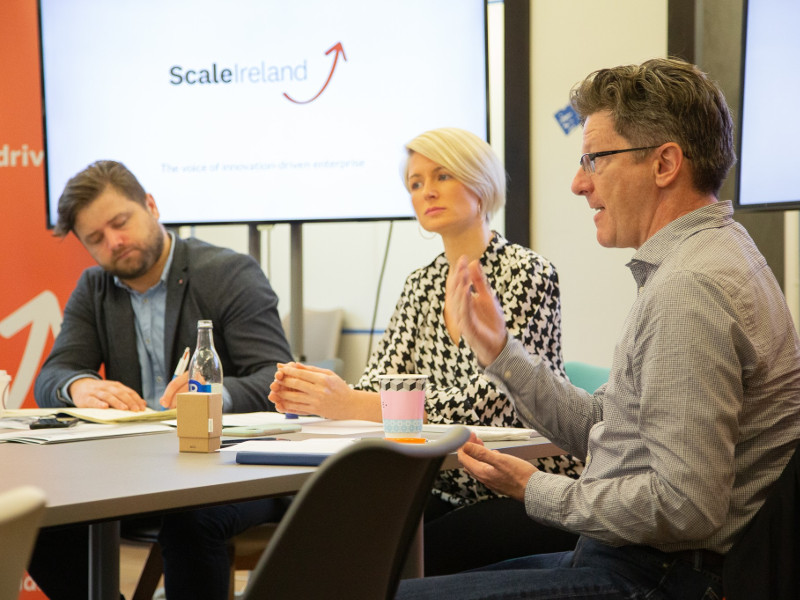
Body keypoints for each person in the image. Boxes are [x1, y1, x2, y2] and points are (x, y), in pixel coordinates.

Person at [395, 58, 800, 600]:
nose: (578, 183)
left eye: (595, 159)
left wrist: (533, 487)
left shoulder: (690, 286)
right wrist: (499, 351)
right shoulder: (707, 256)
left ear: (664, 165)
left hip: (662, 577)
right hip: (633, 560)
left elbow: (685, 508)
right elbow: (601, 423)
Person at [269, 127, 581, 575]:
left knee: (393, 561)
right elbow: (380, 382)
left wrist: (355, 402)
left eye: (442, 176)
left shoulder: (527, 273)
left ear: (480, 183)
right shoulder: (420, 285)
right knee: (343, 540)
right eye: (415, 184)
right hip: (450, 484)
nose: (426, 192)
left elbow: (494, 403)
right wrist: (317, 395)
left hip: (528, 485)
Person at [30, 160, 293, 600]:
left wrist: (208, 397)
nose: (114, 241)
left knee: (191, 520)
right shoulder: (94, 289)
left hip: (232, 468)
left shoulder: (228, 272)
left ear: (150, 205)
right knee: (39, 518)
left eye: (121, 222)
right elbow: (53, 375)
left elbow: (275, 379)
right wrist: (79, 386)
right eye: (96, 238)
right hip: (139, 472)